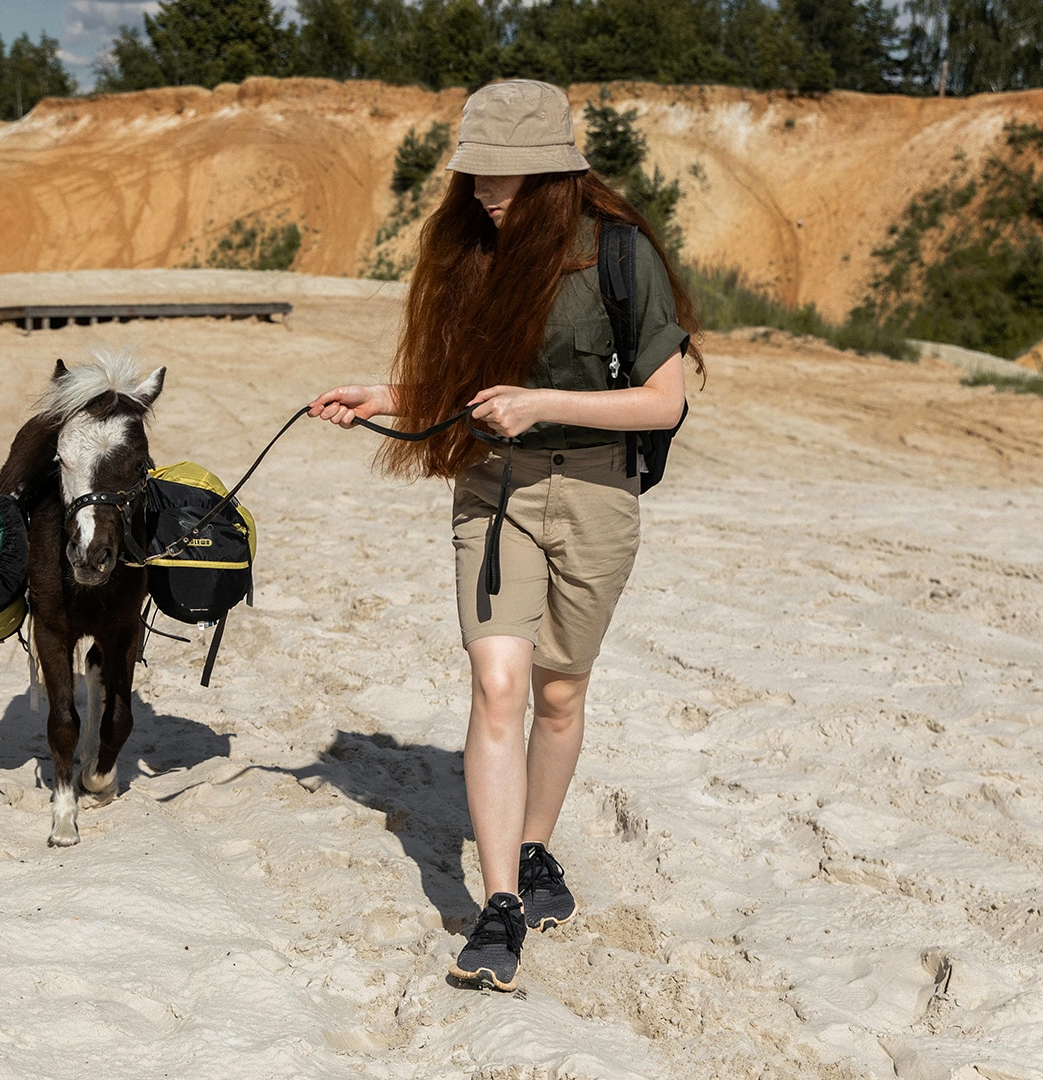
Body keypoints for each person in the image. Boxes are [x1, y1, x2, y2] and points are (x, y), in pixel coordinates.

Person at [308, 80, 698, 992]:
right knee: (498, 683)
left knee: (559, 696)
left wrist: (542, 404)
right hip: (493, 491)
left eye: (510, 174)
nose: (486, 187)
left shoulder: (619, 254)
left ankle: (534, 850)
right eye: (477, 169)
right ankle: (500, 906)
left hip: (599, 496)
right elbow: (468, 389)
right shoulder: (467, 254)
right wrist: (387, 394)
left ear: (557, 176)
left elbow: (663, 401)